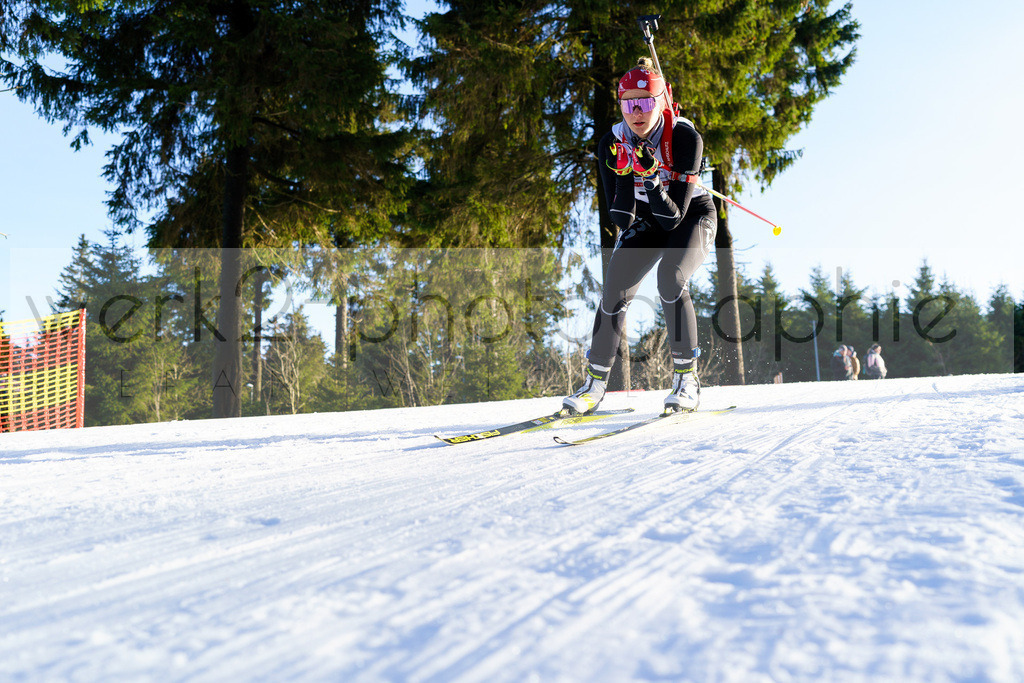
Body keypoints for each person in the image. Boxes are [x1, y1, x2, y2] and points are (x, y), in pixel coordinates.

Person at [562, 57, 717, 415]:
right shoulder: (612, 142)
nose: (636, 112)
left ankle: (687, 380)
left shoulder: (684, 138)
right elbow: (621, 217)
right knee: (615, 285)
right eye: (628, 103)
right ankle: (594, 386)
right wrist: (622, 176)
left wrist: (649, 178)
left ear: (661, 101)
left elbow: (673, 218)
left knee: (671, 278)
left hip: (690, 215)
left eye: (645, 101)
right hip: (648, 217)